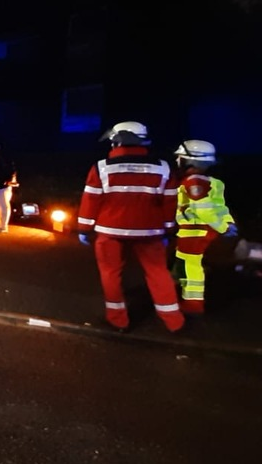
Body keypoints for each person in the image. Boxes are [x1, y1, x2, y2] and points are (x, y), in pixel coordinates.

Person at [77, 121, 184, 333]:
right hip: (151, 231)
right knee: (158, 273)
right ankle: (174, 321)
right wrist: (168, 229)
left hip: (110, 231)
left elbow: (91, 200)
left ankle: (118, 320)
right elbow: (170, 202)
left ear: (117, 141)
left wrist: (84, 228)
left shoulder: (101, 167)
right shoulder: (164, 167)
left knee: (111, 274)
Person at [171, 139, 237, 315]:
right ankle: (185, 297)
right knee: (185, 267)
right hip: (200, 231)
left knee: (191, 269)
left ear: (190, 160)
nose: (178, 161)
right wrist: (228, 225)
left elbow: (203, 210)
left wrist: (223, 228)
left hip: (194, 232)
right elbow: (221, 208)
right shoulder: (213, 182)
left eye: (180, 158)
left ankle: (192, 304)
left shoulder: (194, 182)